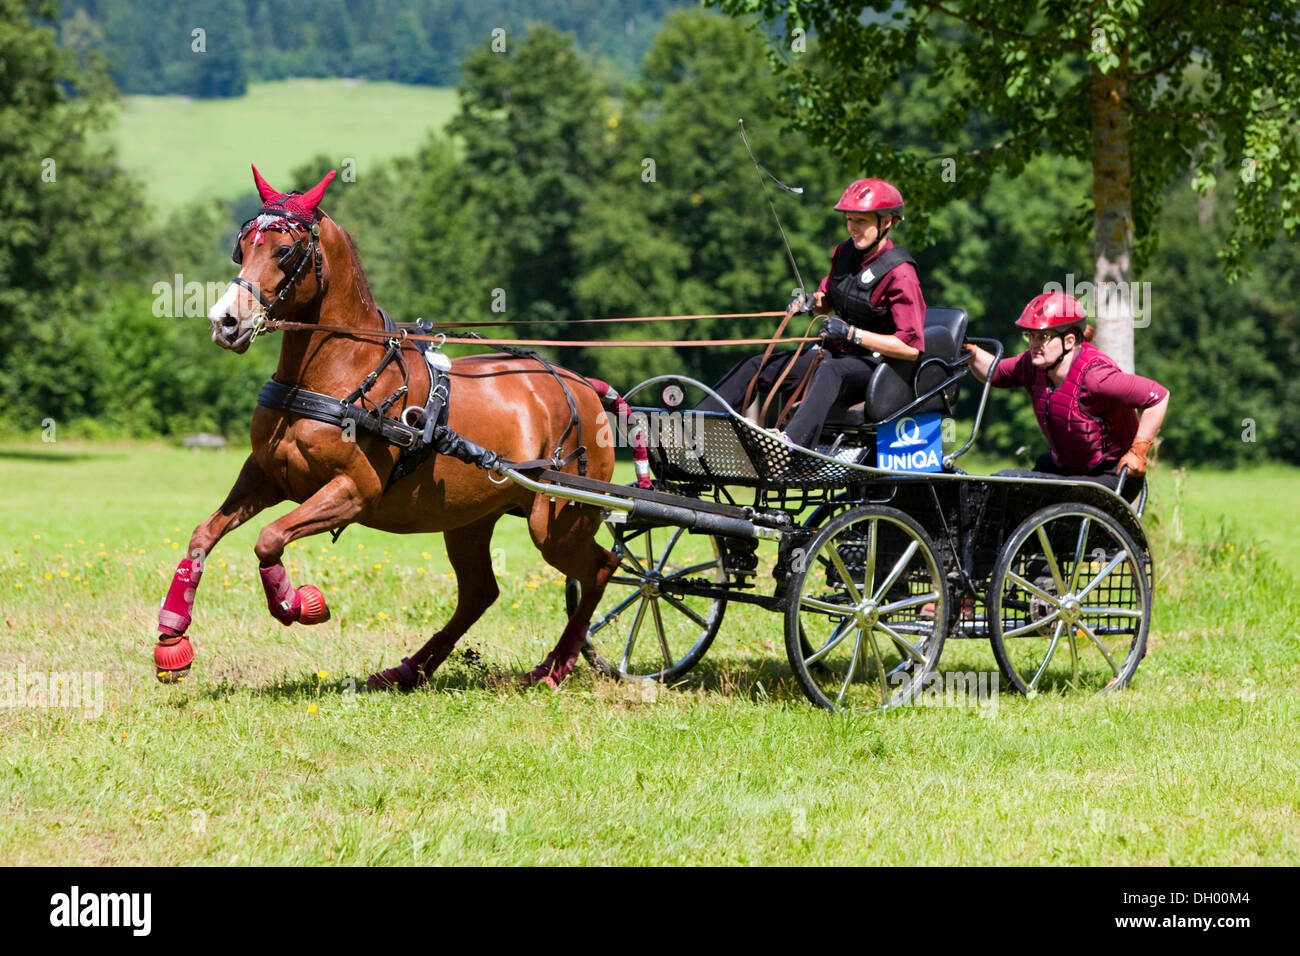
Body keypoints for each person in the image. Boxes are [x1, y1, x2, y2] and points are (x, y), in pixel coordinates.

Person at [698, 178, 927, 449]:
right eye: (849, 220)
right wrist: (810, 303)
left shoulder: (901, 274)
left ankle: (788, 447)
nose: (852, 228)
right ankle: (694, 428)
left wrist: (852, 334)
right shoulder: (844, 253)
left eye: (861, 221)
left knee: (830, 370)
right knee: (758, 365)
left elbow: (910, 348)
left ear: (887, 222)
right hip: (835, 356)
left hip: (878, 368)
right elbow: (827, 298)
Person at [965, 291, 1169, 496]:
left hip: (1109, 476)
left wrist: (1138, 452)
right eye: (1031, 336)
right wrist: (968, 350)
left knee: (1009, 481)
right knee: (1000, 492)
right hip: (1068, 472)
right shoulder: (1034, 364)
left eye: (1043, 337)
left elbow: (1158, 396)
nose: (1034, 344)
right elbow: (997, 372)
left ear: (1069, 340)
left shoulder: (1097, 378)